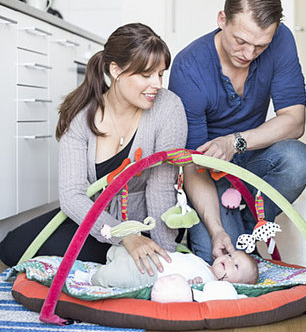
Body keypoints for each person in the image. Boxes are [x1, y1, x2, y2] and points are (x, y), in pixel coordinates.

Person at [0, 23, 187, 273]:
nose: (157, 84)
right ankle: (113, 255)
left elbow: (161, 187)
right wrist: (124, 236)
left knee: (142, 264)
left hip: (150, 220)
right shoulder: (80, 118)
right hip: (99, 222)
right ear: (116, 70)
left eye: (161, 74)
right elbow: (72, 195)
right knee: (12, 247)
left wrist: (168, 260)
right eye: (146, 75)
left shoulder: (168, 108)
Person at [168, 0, 306, 264]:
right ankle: (233, 233)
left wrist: (234, 143)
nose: (248, 54)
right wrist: (216, 230)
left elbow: (294, 121)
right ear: (222, 19)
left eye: (260, 46)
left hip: (250, 160)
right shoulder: (189, 67)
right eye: (241, 41)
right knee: (222, 261)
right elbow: (192, 166)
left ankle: (249, 225)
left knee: (298, 160)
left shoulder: (282, 39)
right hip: (207, 175)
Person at [91, 245, 259, 289]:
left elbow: (193, 298)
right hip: (151, 256)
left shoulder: (210, 285)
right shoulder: (205, 264)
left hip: (149, 274)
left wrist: (194, 289)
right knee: (118, 252)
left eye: (235, 266)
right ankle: (111, 258)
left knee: (116, 274)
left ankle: (93, 279)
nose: (229, 261)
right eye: (230, 256)